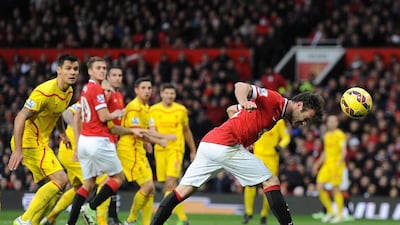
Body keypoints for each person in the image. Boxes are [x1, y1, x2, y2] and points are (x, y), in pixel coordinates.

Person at [150, 82, 324, 225]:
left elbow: (231, 110)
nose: (304, 124)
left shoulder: (277, 114)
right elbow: (241, 86)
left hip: (209, 143)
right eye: (306, 118)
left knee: (182, 190)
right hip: (225, 145)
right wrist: (245, 101)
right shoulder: (275, 100)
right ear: (299, 105)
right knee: (271, 180)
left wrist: (242, 123)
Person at [8, 54, 80, 225]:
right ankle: (23, 220)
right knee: (61, 180)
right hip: (29, 142)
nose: (73, 72)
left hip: (41, 142)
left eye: (76, 69)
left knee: (55, 188)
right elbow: (20, 117)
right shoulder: (44, 92)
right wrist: (18, 150)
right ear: (59, 70)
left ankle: (34, 222)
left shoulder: (69, 91)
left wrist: (62, 133)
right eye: (68, 68)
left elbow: (57, 114)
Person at [66, 57, 135, 225]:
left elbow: (78, 116)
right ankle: (92, 206)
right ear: (90, 71)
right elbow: (104, 116)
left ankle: (70, 223)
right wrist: (117, 113)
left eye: (104, 68)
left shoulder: (85, 89)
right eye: (98, 68)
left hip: (85, 141)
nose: (102, 71)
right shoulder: (96, 90)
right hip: (99, 140)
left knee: (88, 184)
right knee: (118, 177)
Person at [40, 80, 112, 225]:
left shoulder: (103, 110)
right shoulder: (87, 102)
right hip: (74, 151)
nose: (107, 93)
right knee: (106, 181)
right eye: (104, 90)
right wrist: (76, 125)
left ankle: (51, 217)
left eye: (109, 91)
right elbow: (66, 113)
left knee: (79, 188)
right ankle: (101, 221)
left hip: (76, 153)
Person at [118, 77, 176, 225]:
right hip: (129, 149)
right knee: (148, 186)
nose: (147, 91)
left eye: (149, 88)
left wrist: (148, 143)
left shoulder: (146, 107)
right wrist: (160, 139)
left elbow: (148, 130)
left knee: (150, 190)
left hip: (139, 149)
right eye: (143, 88)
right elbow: (139, 133)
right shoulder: (134, 107)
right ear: (136, 90)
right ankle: (130, 220)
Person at [149, 83, 197, 225]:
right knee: (166, 185)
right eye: (167, 93)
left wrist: (193, 150)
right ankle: (169, 213)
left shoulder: (181, 110)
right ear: (161, 94)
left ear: (175, 95)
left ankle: (183, 220)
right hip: (160, 150)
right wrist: (167, 136)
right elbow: (151, 131)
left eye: (172, 93)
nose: (170, 96)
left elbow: (187, 131)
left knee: (171, 183)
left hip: (176, 150)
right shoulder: (153, 110)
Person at [240, 119, 291, 225]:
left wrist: (280, 146)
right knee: (250, 185)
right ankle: (248, 212)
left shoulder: (279, 123)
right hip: (256, 157)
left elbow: (286, 137)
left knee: (269, 187)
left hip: (271, 160)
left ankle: (264, 214)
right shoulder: (257, 119)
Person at [312, 115, 346, 223]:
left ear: (337, 123)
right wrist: (317, 164)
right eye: (329, 121)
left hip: (336, 165)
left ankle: (339, 215)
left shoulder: (340, 135)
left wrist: (338, 165)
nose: (331, 123)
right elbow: (325, 152)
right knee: (319, 186)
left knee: (335, 189)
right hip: (327, 165)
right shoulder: (326, 135)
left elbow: (343, 152)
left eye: (333, 121)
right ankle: (331, 212)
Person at [103, 66, 126, 225]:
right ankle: (101, 213)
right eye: (114, 75)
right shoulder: (106, 94)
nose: (118, 78)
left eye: (120, 75)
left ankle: (111, 215)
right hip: (103, 141)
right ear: (108, 78)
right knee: (111, 179)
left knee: (113, 180)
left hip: (113, 141)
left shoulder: (119, 95)